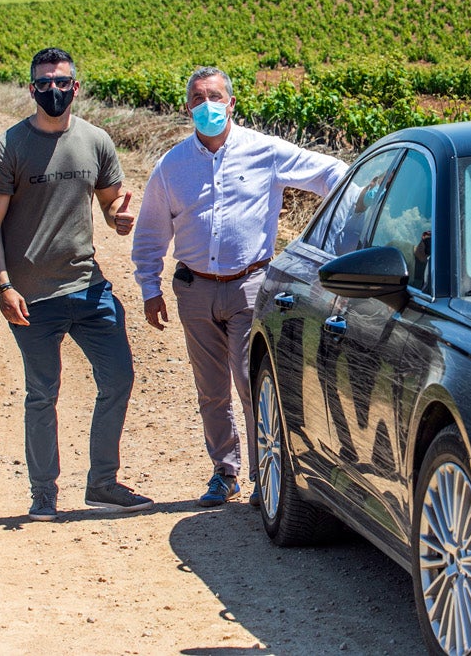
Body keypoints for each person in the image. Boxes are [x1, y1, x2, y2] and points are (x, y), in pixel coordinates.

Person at [132, 67, 347, 507]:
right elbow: (152, 230)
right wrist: (148, 286)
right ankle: (224, 472)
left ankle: (262, 474)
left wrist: (341, 228)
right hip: (194, 290)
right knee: (210, 388)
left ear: (232, 103)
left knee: (252, 382)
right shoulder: (172, 165)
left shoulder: (263, 151)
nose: (206, 105)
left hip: (251, 285)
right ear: (186, 108)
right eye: (197, 98)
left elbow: (332, 174)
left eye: (215, 96)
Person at [0, 47, 153, 522]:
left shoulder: (96, 141)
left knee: (118, 378)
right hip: (32, 296)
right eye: (43, 83)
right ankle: (44, 493)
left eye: (61, 82)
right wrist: (2, 286)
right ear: (31, 88)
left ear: (76, 87)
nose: (52, 91)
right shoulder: (8, 148)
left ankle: (102, 483)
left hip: (89, 287)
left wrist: (121, 218)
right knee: (43, 393)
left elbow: (113, 204)